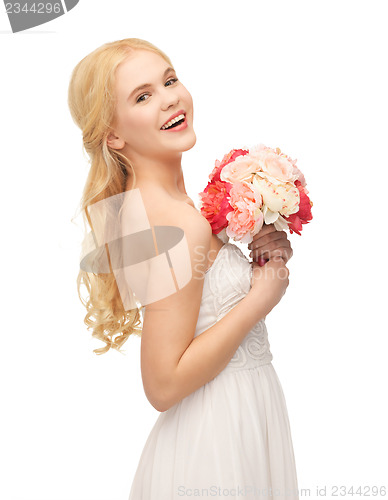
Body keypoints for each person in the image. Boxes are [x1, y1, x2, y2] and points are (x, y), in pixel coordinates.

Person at [68, 37, 299, 500]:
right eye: (142, 95)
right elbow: (163, 383)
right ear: (114, 135)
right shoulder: (175, 222)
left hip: (233, 415)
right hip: (218, 435)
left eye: (169, 80)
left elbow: (199, 307)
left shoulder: (160, 205)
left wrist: (262, 254)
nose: (169, 96)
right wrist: (259, 299)